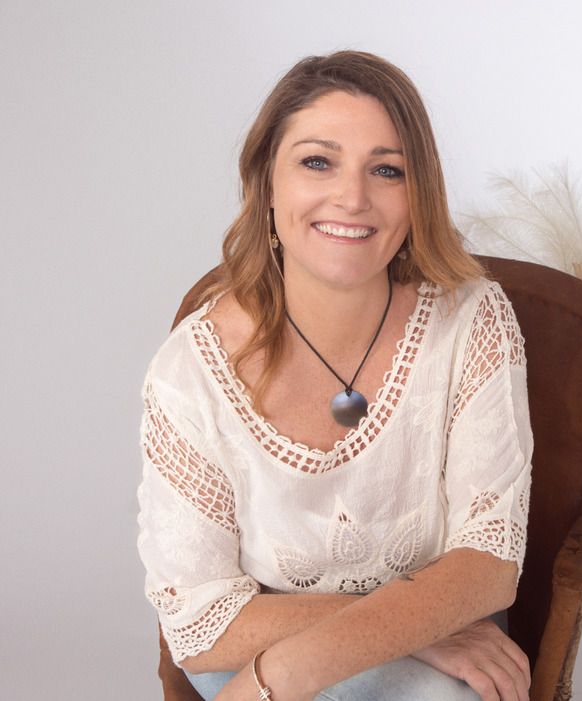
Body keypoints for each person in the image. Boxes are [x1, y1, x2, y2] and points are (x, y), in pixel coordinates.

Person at [136, 50, 533, 701]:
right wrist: (411, 628)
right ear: (267, 183)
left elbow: (488, 565)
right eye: (317, 161)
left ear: (417, 196)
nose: (352, 196)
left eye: (386, 169)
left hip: (445, 651)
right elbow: (200, 624)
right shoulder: (189, 371)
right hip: (254, 643)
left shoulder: (471, 321)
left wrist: (289, 673)